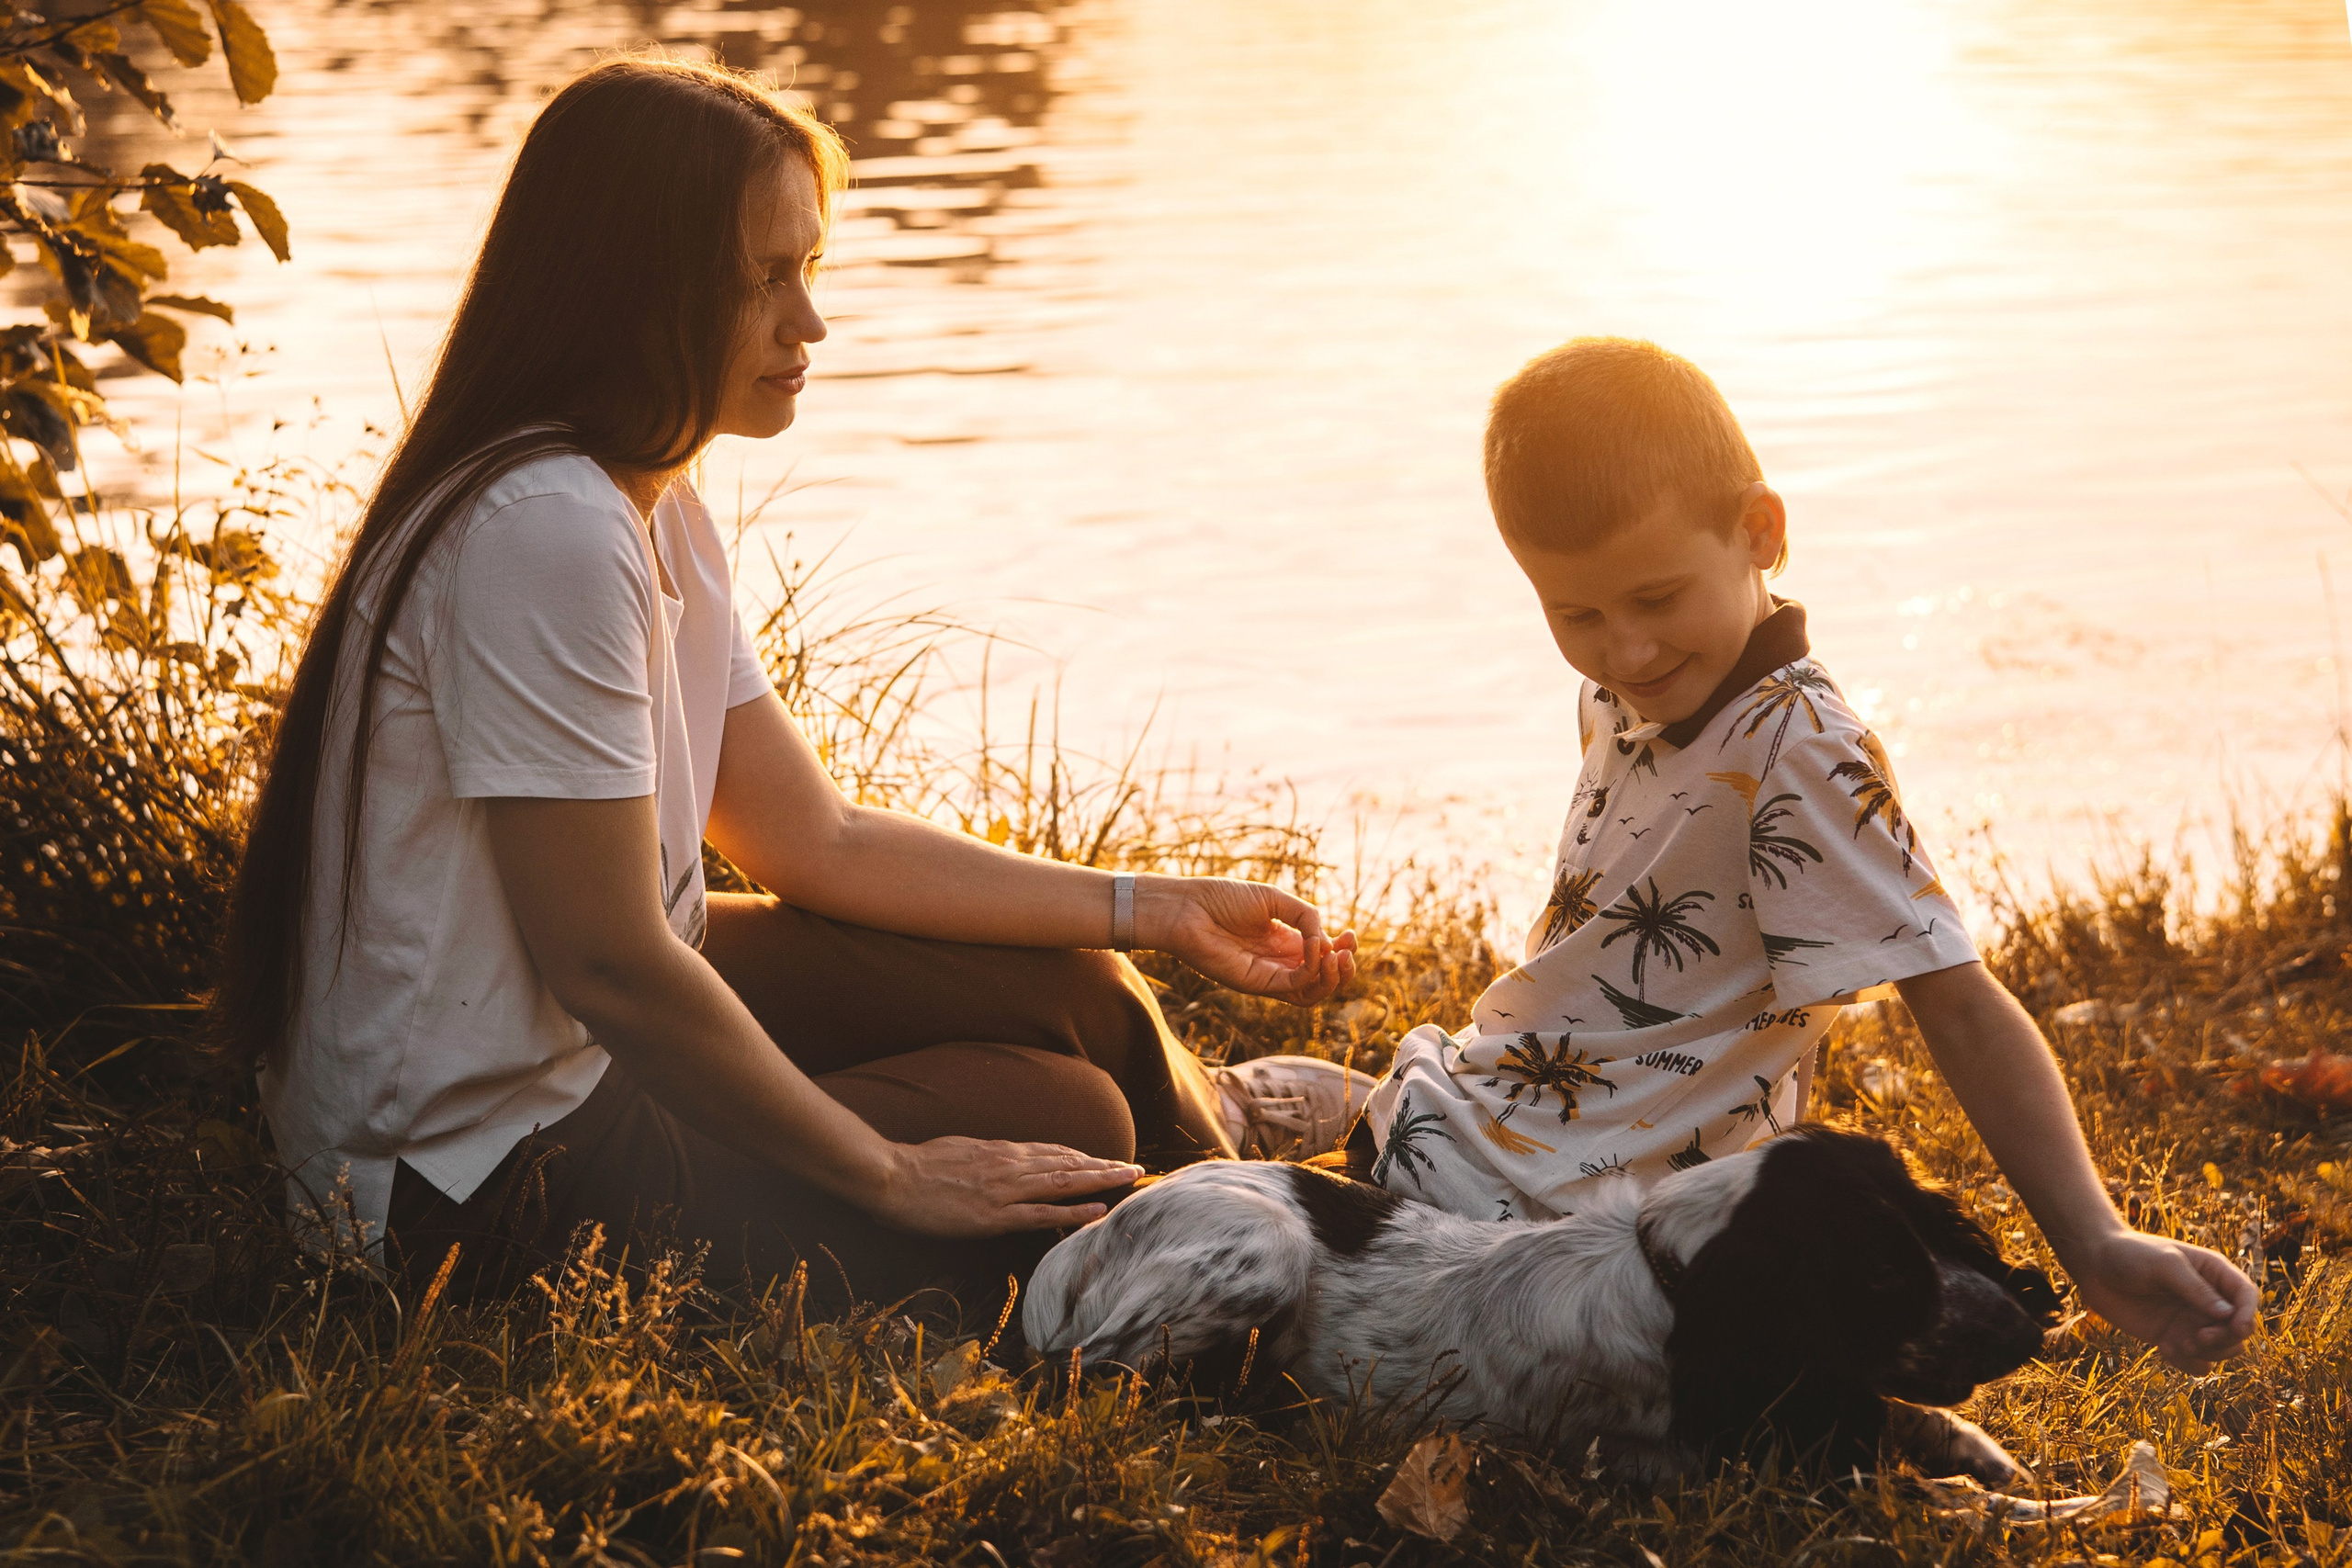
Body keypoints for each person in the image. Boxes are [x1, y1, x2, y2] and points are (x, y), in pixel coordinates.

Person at [210, 55, 1374, 1307]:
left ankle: (1237, 1157)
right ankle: (1308, 1262)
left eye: (807, 268)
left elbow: (814, 837)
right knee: (1062, 1111)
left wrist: (1153, 905)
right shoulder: (540, 529)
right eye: (759, 279)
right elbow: (608, 958)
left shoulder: (655, 501)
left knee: (1083, 983)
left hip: (586, 1054)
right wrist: (887, 1171)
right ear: (627, 288)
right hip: (470, 1186)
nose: (808, 322)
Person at [1357, 337, 2257, 1373]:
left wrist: (2091, 1240)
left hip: (1551, 1209)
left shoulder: (1801, 749)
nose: (1626, 653)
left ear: (1760, 531)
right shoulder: (1621, 696)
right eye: (1577, 614)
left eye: (1655, 600)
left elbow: (1954, 999)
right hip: (1490, 1155)